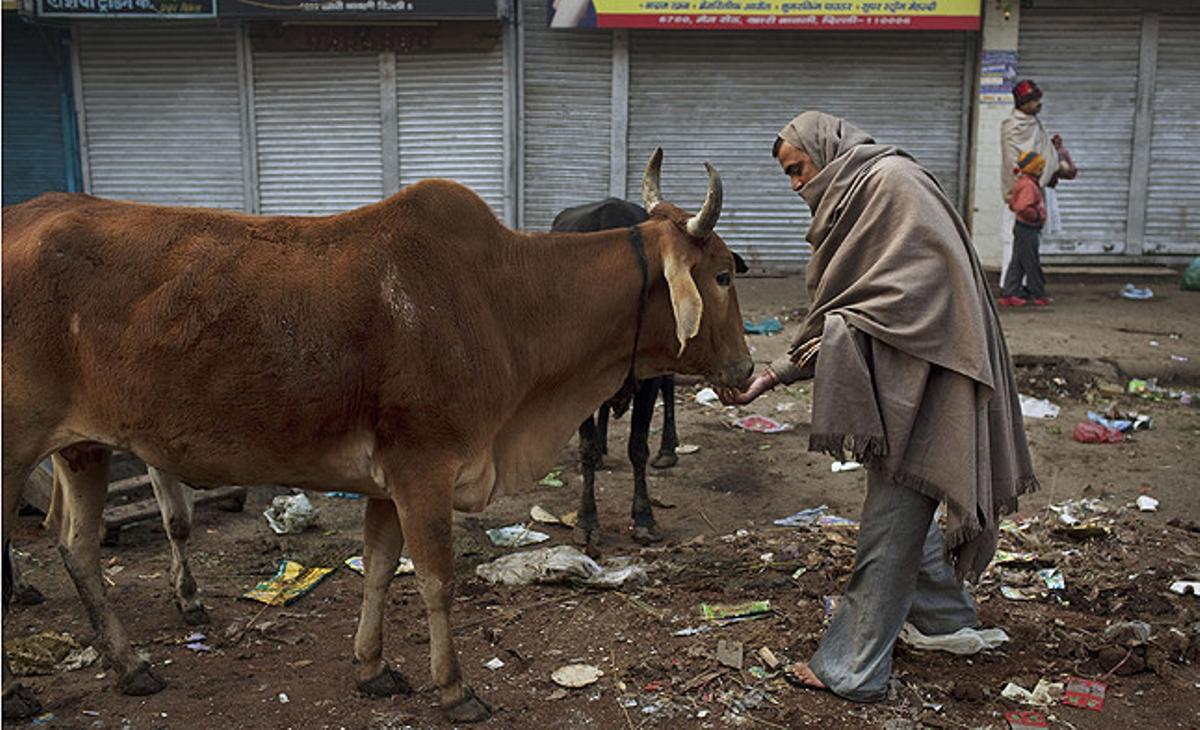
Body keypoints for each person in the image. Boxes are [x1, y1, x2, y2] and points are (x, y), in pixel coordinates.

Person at [720, 111, 1038, 702]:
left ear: (824, 150)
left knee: (890, 523)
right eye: (787, 177)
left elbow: (902, 299)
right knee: (906, 513)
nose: (795, 186)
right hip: (903, 376)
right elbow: (867, 304)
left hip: (932, 381)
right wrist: (774, 376)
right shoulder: (864, 195)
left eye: (797, 170)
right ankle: (946, 619)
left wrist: (797, 359)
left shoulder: (891, 185)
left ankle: (853, 667)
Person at [1000, 79, 1077, 286]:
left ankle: (1022, 286)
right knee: (1014, 242)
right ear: (1023, 103)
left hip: (1035, 190)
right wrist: (1021, 191)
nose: (1039, 104)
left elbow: (1037, 153)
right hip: (1021, 193)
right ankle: (1010, 287)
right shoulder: (1013, 127)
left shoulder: (1033, 123)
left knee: (1030, 244)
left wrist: (1052, 150)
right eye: (1034, 100)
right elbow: (1016, 162)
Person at [999, 151, 1049, 307]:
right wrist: (1036, 216)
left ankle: (1010, 292)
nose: (1042, 171)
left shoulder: (1024, 182)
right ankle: (1038, 294)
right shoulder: (1028, 185)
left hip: (1023, 228)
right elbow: (1023, 207)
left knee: (1018, 262)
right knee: (1030, 262)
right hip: (1027, 228)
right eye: (1040, 167)